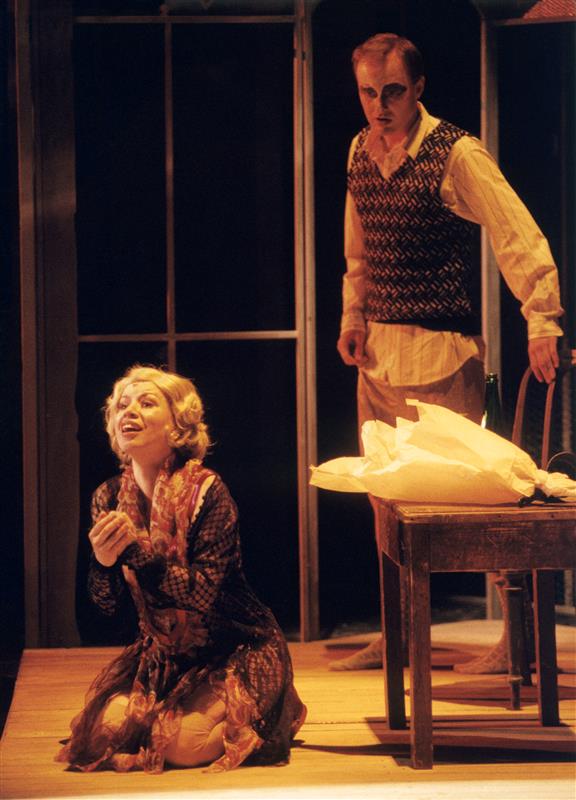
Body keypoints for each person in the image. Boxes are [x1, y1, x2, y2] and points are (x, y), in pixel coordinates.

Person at [331, 33, 564, 671]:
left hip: (441, 356)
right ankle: (402, 634)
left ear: (418, 89)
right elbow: (358, 249)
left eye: (392, 92)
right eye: (368, 93)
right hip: (379, 359)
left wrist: (541, 316)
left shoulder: (454, 152)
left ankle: (518, 640)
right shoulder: (358, 151)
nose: (379, 106)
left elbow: (516, 230)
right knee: (385, 503)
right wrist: (353, 314)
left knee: (470, 500)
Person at [57, 365, 306, 773]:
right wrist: (103, 563)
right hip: (166, 654)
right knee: (103, 733)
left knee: (183, 747)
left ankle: (271, 708)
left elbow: (201, 593)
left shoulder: (208, 491)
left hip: (235, 645)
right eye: (122, 405)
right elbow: (106, 607)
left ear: (176, 425)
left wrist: (133, 552)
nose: (129, 412)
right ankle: (169, 711)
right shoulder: (109, 496)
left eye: (146, 403)